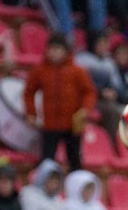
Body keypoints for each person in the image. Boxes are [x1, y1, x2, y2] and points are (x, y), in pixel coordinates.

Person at [23, 33, 97, 173]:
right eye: (52, 49)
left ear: (65, 51)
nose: (55, 53)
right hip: (50, 125)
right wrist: (31, 112)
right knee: (46, 162)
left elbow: (89, 92)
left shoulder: (77, 71)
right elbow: (29, 91)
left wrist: (85, 110)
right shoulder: (40, 70)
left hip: (73, 124)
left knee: (75, 161)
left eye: (58, 49)